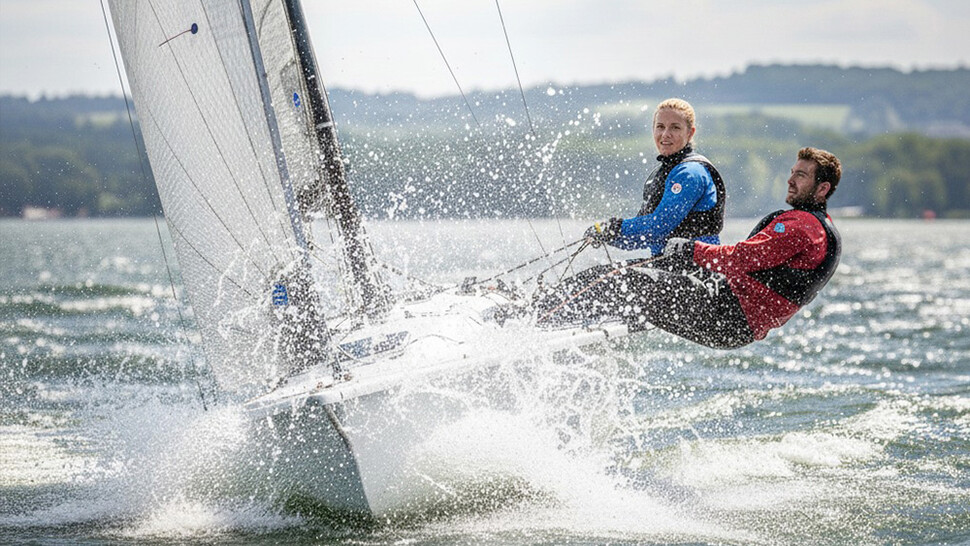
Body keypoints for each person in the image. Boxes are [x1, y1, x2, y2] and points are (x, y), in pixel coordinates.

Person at [536, 147, 843, 349]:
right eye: (792, 172)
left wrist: (691, 250)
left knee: (621, 280)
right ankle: (549, 309)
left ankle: (533, 315)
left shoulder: (803, 228)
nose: (790, 179)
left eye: (801, 175)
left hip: (728, 313)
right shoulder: (819, 227)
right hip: (731, 317)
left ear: (823, 187)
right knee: (621, 278)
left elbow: (742, 258)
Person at [585, 98, 726, 256]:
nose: (665, 134)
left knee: (603, 280)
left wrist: (616, 228)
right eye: (660, 127)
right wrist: (606, 235)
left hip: (697, 267)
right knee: (590, 277)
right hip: (665, 264)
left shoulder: (691, 173)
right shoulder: (658, 176)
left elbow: (659, 226)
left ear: (690, 133)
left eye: (675, 127)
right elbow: (640, 237)